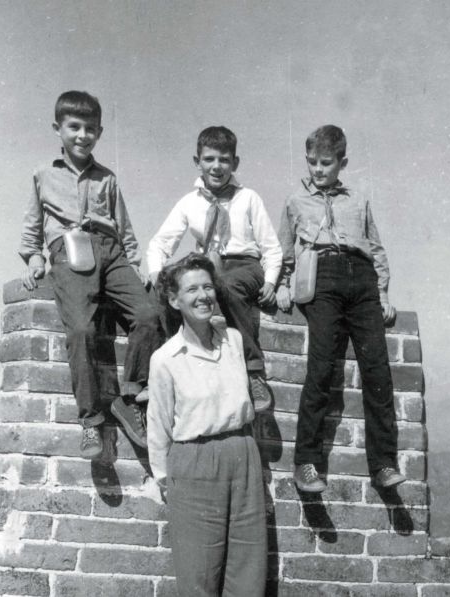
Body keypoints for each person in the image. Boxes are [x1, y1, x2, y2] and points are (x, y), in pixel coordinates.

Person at [19, 90, 162, 458]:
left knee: (148, 314)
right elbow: (32, 227)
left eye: (90, 129)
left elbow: (123, 227)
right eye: (74, 127)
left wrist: (134, 263)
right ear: (58, 128)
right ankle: (90, 421)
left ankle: (131, 397)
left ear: (99, 132)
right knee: (82, 330)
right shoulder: (42, 174)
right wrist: (34, 259)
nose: (82, 135)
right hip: (68, 252)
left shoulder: (107, 178)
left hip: (111, 252)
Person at [276, 125, 406, 491]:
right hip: (322, 278)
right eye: (312, 162)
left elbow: (375, 248)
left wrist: (382, 293)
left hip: (361, 280)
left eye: (326, 163)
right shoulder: (295, 201)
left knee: (377, 371)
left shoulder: (358, 199)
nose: (318, 170)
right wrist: (283, 284)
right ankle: (305, 463)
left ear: (342, 163)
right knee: (320, 368)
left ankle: (383, 464)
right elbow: (285, 251)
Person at [147, 253, 267, 597]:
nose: (203, 296)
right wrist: (164, 479)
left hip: (243, 454)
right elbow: (158, 426)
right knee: (198, 574)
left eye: (208, 287)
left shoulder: (234, 341)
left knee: (248, 571)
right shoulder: (165, 359)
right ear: (174, 301)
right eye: (192, 290)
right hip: (194, 463)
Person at [146, 126, 282, 412]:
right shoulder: (189, 202)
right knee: (171, 288)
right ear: (198, 162)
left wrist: (270, 281)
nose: (216, 166)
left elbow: (271, 247)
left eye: (224, 159)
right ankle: (174, 364)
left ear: (235, 163)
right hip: (208, 264)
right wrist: (157, 272)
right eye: (209, 159)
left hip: (245, 265)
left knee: (227, 286)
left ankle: (253, 371)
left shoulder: (249, 198)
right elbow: (160, 243)